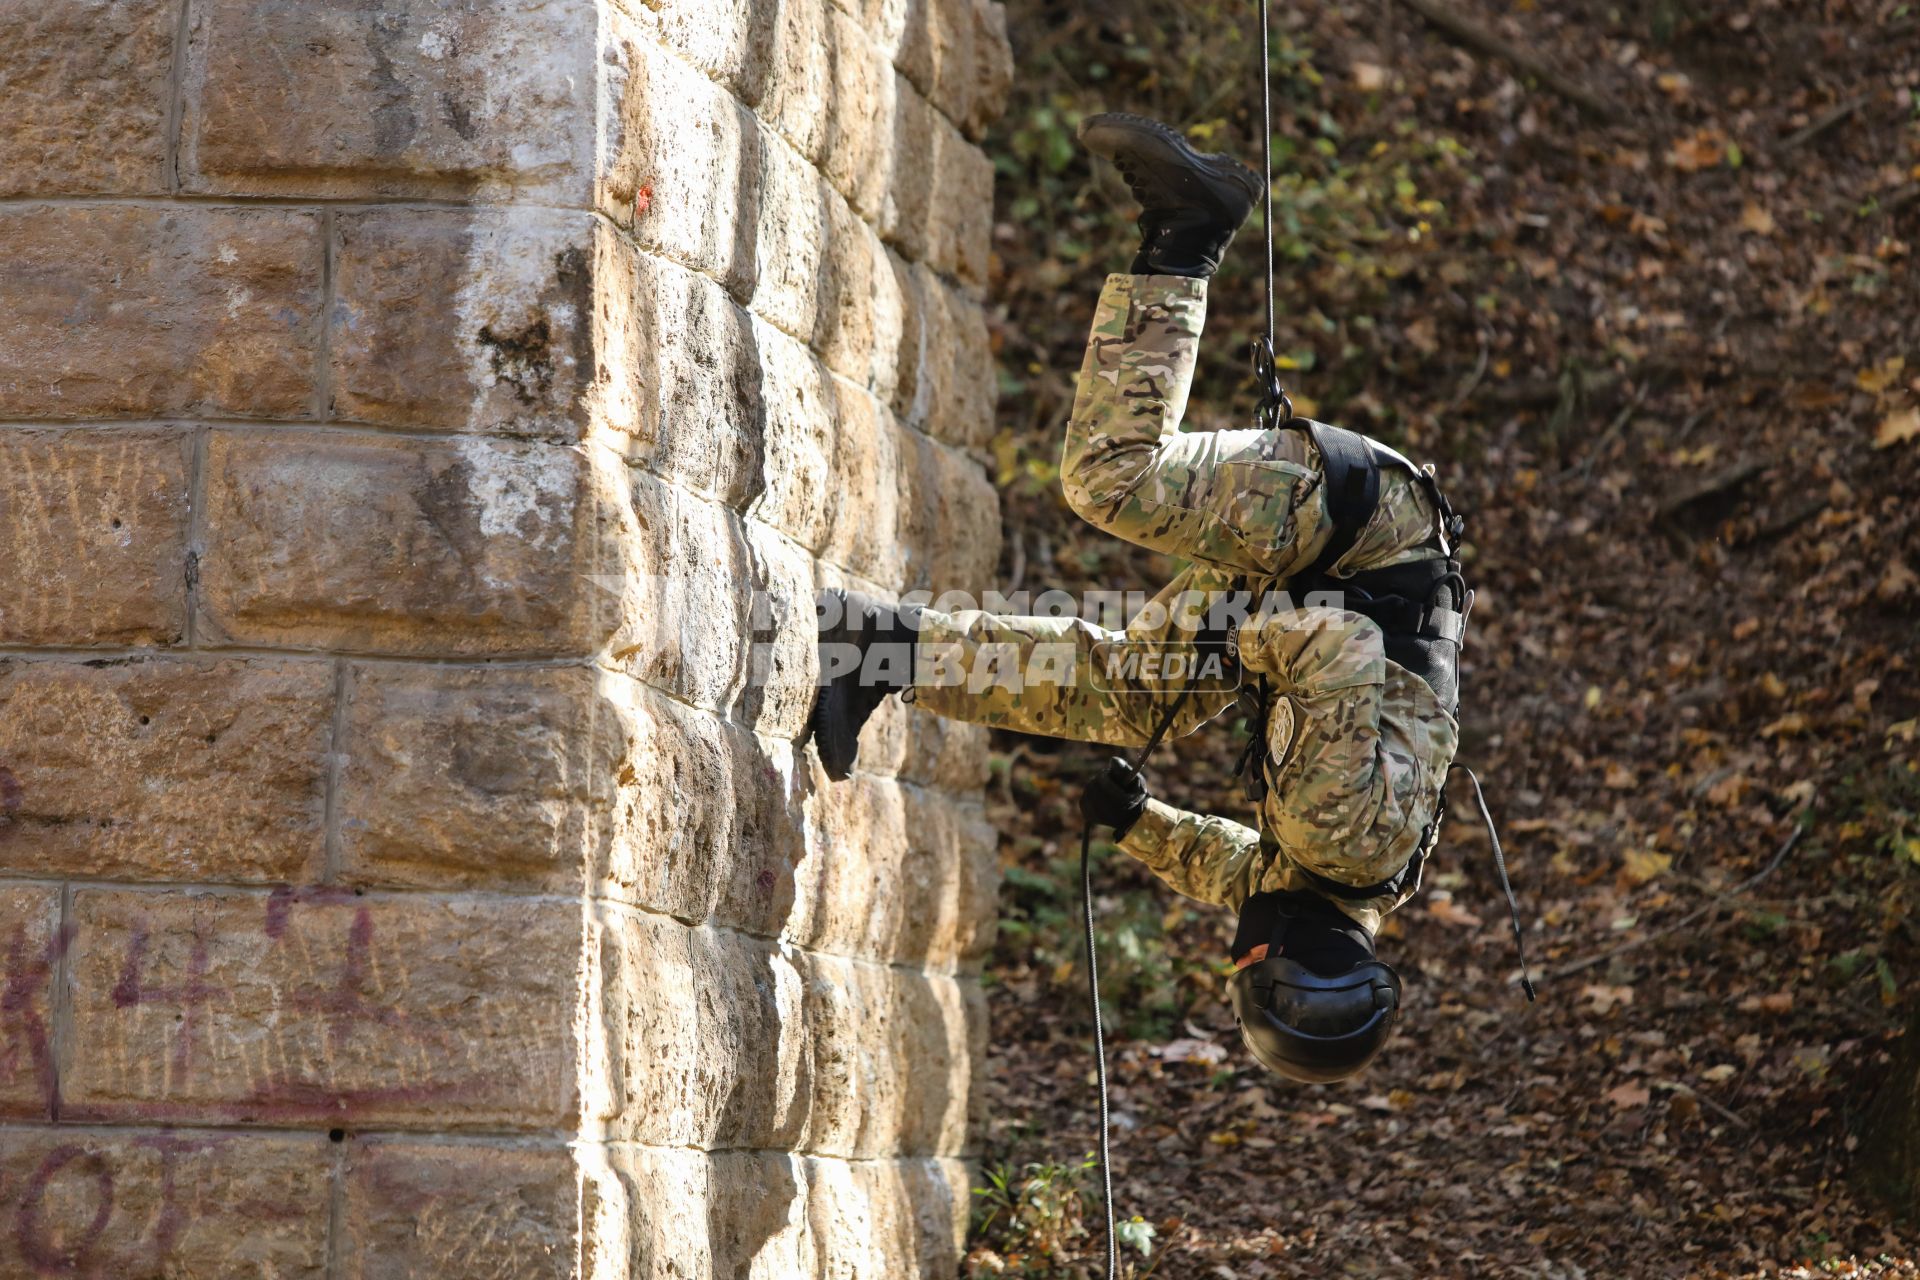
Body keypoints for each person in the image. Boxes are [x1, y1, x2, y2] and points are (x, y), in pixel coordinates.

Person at [809, 114, 1477, 1083]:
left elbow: (1233, 867)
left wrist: (1139, 822)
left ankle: (876, 648)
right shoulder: (1341, 836)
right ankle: (1190, 228)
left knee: (1128, 692)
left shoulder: (1344, 877)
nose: (1237, 951)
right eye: (1250, 965)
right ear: (1290, 955)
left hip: (1335, 570)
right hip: (1353, 541)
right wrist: (1237, 645)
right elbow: (1338, 656)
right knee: (1111, 476)